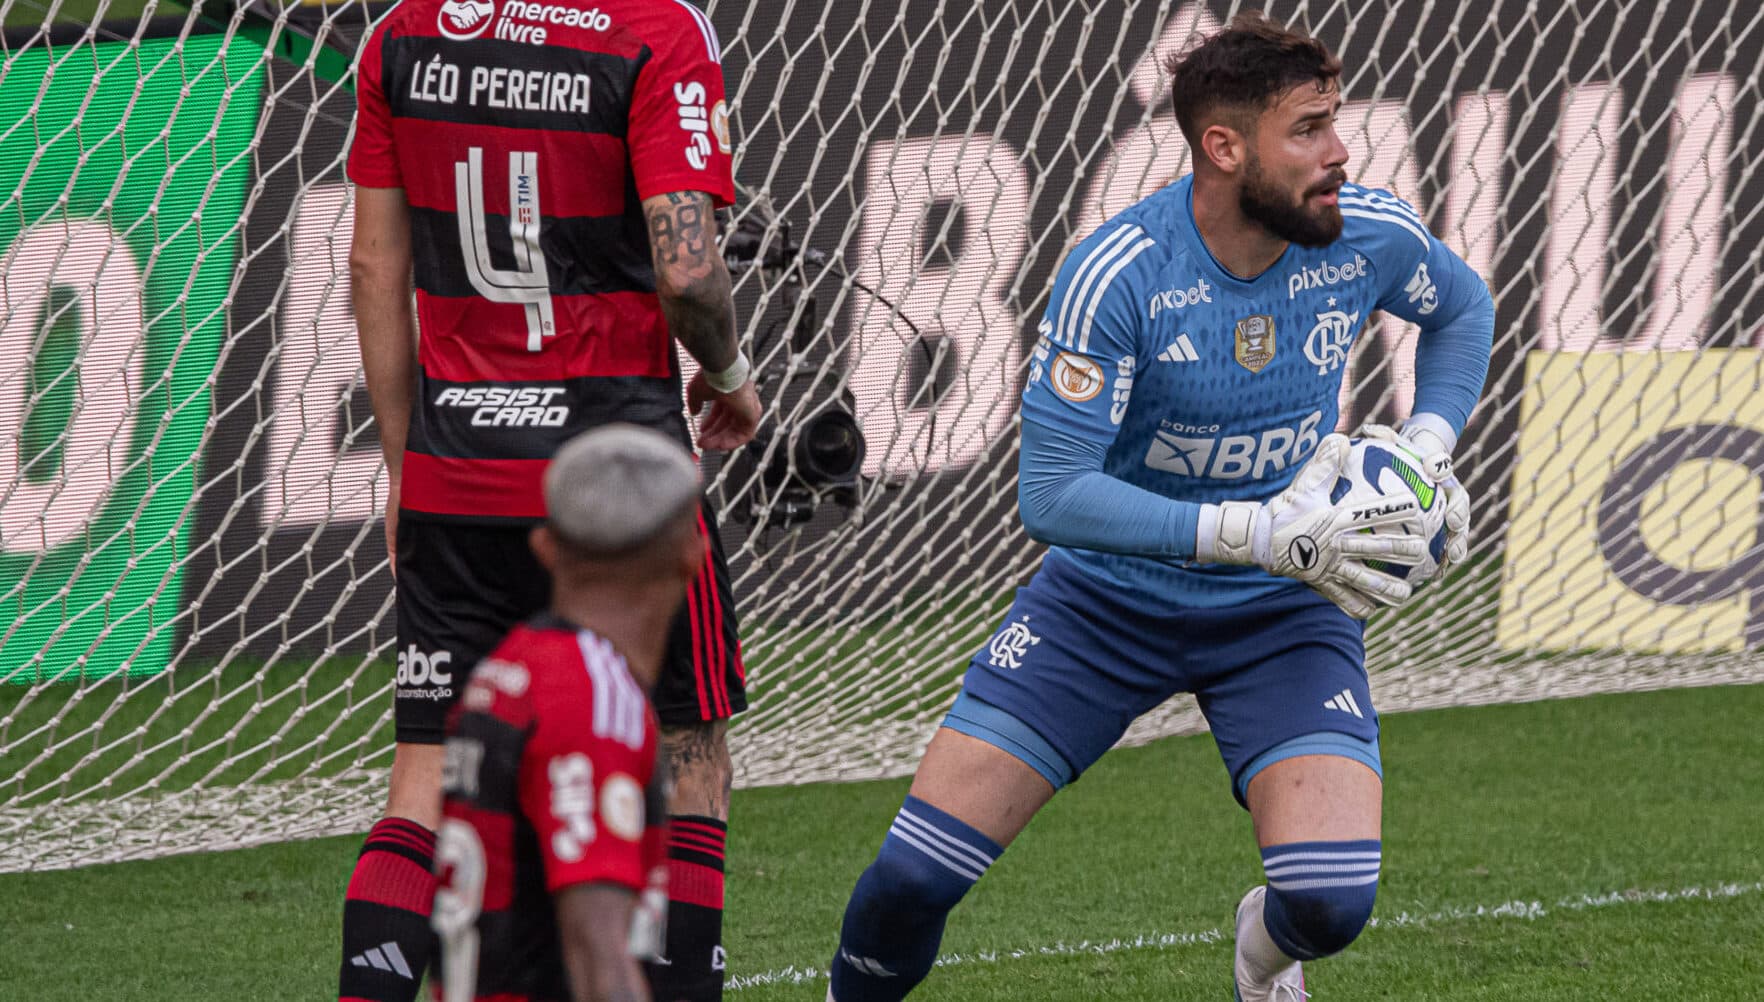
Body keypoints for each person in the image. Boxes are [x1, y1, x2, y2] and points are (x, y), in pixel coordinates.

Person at [827, 12, 1493, 1002]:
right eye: (1308, 129)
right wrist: (1257, 531)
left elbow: (1463, 308)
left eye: (1334, 122)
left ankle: (1262, 959)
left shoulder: (1368, 234)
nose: (1340, 151)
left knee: (1329, 904)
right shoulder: (1121, 274)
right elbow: (1053, 495)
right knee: (913, 880)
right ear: (1224, 148)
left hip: (1282, 611)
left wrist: (1428, 443)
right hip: (1105, 608)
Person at [342, 0, 760, 998]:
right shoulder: (657, 30)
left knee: (426, 781)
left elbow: (373, 264)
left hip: (457, 469)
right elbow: (689, 272)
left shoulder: (403, 31)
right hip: (616, 485)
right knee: (687, 765)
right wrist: (732, 376)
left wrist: (405, 467)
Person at [430, 424, 705, 1002]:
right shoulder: (592, 702)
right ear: (693, 555)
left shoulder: (509, 670)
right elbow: (597, 955)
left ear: (545, 547)